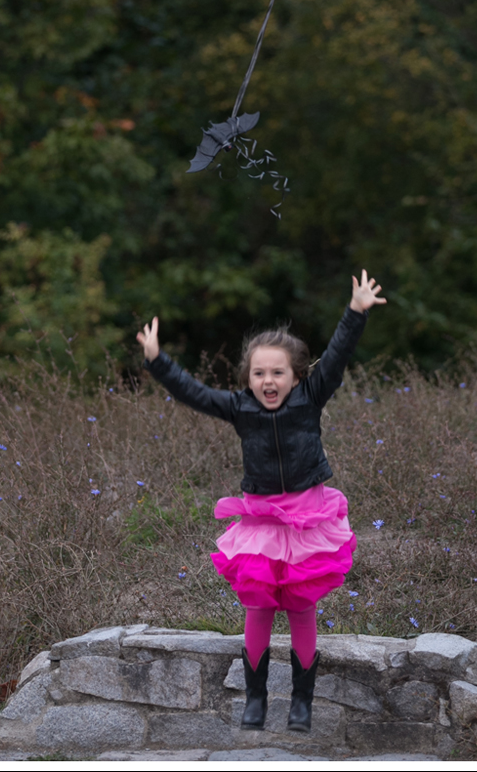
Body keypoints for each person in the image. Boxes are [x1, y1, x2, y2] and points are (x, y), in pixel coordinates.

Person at [137, 270, 386, 733]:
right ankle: (256, 699)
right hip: (262, 523)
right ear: (247, 378)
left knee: (302, 610)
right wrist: (157, 360)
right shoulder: (240, 408)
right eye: (259, 373)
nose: (268, 380)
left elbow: (337, 356)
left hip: (307, 521)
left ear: (296, 376)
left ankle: (301, 703)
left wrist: (356, 311)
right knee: (259, 609)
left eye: (277, 372)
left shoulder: (310, 397)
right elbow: (193, 393)